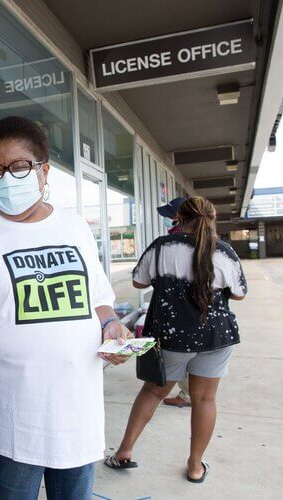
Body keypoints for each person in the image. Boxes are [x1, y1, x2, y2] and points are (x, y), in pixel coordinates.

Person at [0, 116, 131, 500]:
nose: (6, 178)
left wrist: (112, 328)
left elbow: (99, 301)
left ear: (44, 172)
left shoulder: (75, 227)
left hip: (79, 415)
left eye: (19, 167)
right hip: (17, 424)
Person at [104, 196, 247, 483]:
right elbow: (239, 293)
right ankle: (195, 466)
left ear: (179, 219)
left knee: (153, 392)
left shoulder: (162, 247)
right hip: (215, 336)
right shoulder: (225, 252)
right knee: (205, 399)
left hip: (171, 336)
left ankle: (124, 452)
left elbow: (138, 281)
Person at [157, 197, 192, 408]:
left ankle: (187, 395)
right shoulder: (206, 239)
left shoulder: (176, 240)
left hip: (180, 307)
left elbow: (140, 279)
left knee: (181, 353)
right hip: (197, 307)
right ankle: (190, 393)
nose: (169, 218)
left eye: (172, 214)